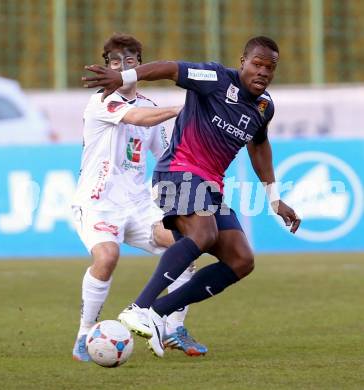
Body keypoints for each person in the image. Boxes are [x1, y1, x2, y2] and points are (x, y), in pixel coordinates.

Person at [82, 36, 301, 358]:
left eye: (270, 68)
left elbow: (259, 145)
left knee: (241, 260)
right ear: (243, 62)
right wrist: (125, 77)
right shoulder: (214, 79)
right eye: (257, 64)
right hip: (178, 170)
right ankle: (139, 308)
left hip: (210, 184)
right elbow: (169, 68)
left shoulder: (263, 106)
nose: (263, 72)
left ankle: (159, 312)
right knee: (203, 233)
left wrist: (274, 197)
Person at [72, 33, 207, 362]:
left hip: (139, 206)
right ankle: (85, 333)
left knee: (184, 245)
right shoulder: (102, 102)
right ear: (107, 67)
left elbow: (166, 155)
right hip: (98, 202)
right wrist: (184, 106)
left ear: (139, 66)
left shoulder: (149, 107)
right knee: (106, 257)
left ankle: (174, 328)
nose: (122, 67)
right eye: (115, 62)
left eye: (130, 62)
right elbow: (136, 118)